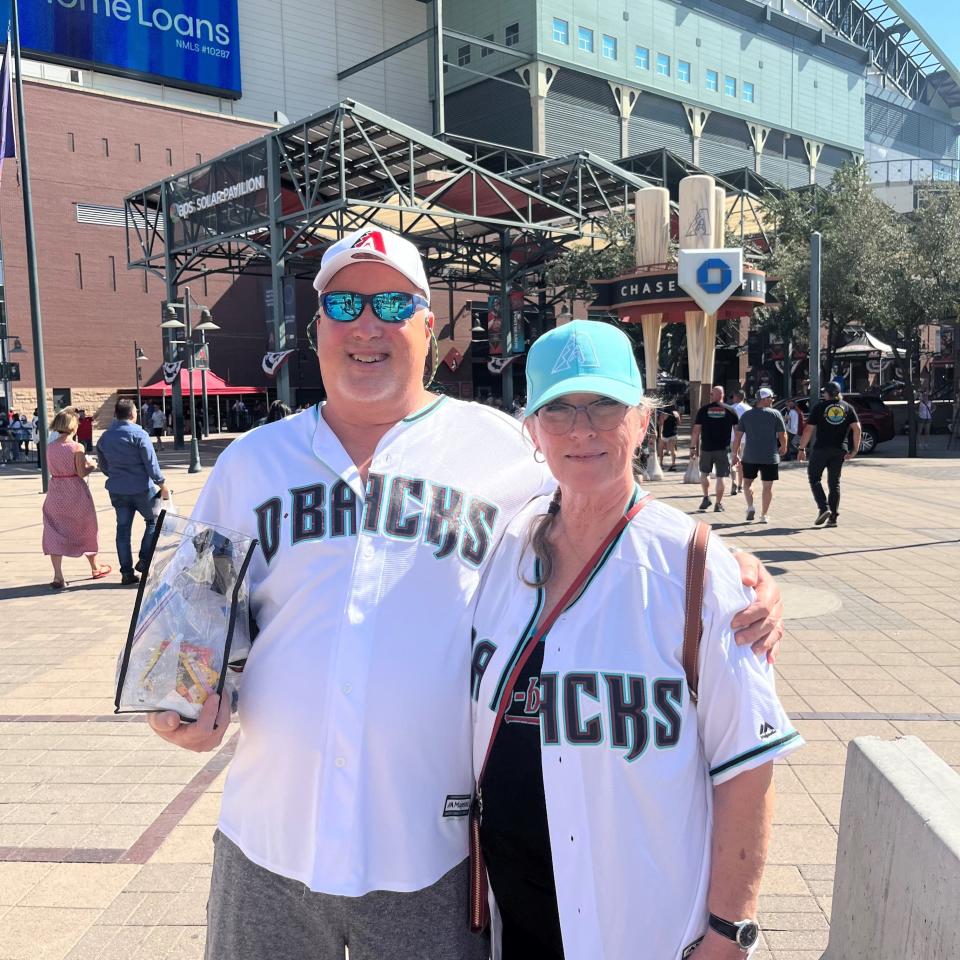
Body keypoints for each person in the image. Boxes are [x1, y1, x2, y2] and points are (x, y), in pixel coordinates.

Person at [144, 228, 785, 960]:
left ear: (427, 324)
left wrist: (730, 567)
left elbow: (608, 509)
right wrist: (179, 704)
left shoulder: (501, 447)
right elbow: (188, 623)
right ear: (315, 326)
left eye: (392, 302)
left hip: (431, 852)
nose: (367, 324)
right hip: (267, 838)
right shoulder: (251, 463)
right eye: (345, 303)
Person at [471, 321, 802, 960]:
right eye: (559, 408)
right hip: (517, 921)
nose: (582, 428)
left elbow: (747, 765)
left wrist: (730, 931)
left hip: (642, 927)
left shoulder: (696, 571)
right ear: (532, 430)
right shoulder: (500, 551)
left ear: (644, 421)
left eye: (605, 405)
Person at [96, 398, 168, 585]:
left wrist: (115, 475)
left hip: (117, 489)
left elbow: (104, 465)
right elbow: (150, 463)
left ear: (116, 414)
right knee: (153, 521)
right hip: (141, 488)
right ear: (133, 414)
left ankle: (126, 573)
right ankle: (144, 560)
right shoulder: (139, 434)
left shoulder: (105, 437)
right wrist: (161, 483)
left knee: (123, 529)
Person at [41, 410, 111, 588]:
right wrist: (92, 466)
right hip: (75, 493)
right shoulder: (76, 447)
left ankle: (58, 576)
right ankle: (95, 567)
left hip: (56, 491)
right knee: (86, 528)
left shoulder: (50, 447)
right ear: (72, 426)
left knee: (54, 531)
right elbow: (80, 473)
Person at [798, 382, 861, 528]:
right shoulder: (847, 407)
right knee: (834, 483)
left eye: (824, 392)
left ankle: (823, 508)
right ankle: (833, 517)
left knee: (814, 478)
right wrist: (854, 450)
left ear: (829, 393)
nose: (823, 394)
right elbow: (857, 428)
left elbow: (808, 430)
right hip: (840, 449)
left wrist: (802, 449)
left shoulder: (820, 407)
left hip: (821, 448)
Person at [732, 387, 788, 524]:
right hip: (770, 456)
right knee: (767, 487)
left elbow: (737, 437)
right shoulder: (775, 414)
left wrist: (735, 454)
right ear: (764, 399)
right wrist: (784, 447)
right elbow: (782, 434)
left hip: (750, 456)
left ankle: (750, 506)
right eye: (771, 398)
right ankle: (764, 515)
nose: (772, 400)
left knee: (747, 483)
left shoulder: (746, 416)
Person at [690, 386, 739, 513]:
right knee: (720, 477)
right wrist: (736, 451)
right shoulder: (730, 410)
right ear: (722, 395)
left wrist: (693, 447)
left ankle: (706, 497)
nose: (710, 396)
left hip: (706, 448)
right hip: (723, 449)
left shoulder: (703, 410)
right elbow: (737, 431)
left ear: (715, 395)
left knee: (705, 474)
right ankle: (718, 503)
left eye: (711, 394)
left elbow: (696, 430)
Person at [728, 389, 751, 493]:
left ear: (736, 397)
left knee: (733, 461)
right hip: (746, 439)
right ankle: (741, 485)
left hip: (732, 438)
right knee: (742, 462)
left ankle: (734, 481)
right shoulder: (749, 409)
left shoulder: (729, 409)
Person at [657, 400, 680, 470]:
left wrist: (660, 434)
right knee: (672, 450)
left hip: (664, 434)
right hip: (673, 433)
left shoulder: (663, 414)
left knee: (660, 449)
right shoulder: (676, 413)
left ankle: (661, 464)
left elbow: (661, 424)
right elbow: (679, 423)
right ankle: (673, 464)